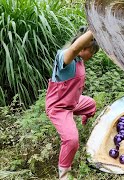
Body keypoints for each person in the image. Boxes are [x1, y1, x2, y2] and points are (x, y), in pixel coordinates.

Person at [45, 26, 99, 179]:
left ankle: (83, 123)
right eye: (92, 52)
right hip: (59, 107)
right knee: (71, 140)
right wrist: (96, 28)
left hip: (73, 102)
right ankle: (64, 174)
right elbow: (75, 48)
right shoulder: (65, 57)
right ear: (84, 47)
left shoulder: (79, 60)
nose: (93, 55)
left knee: (91, 105)